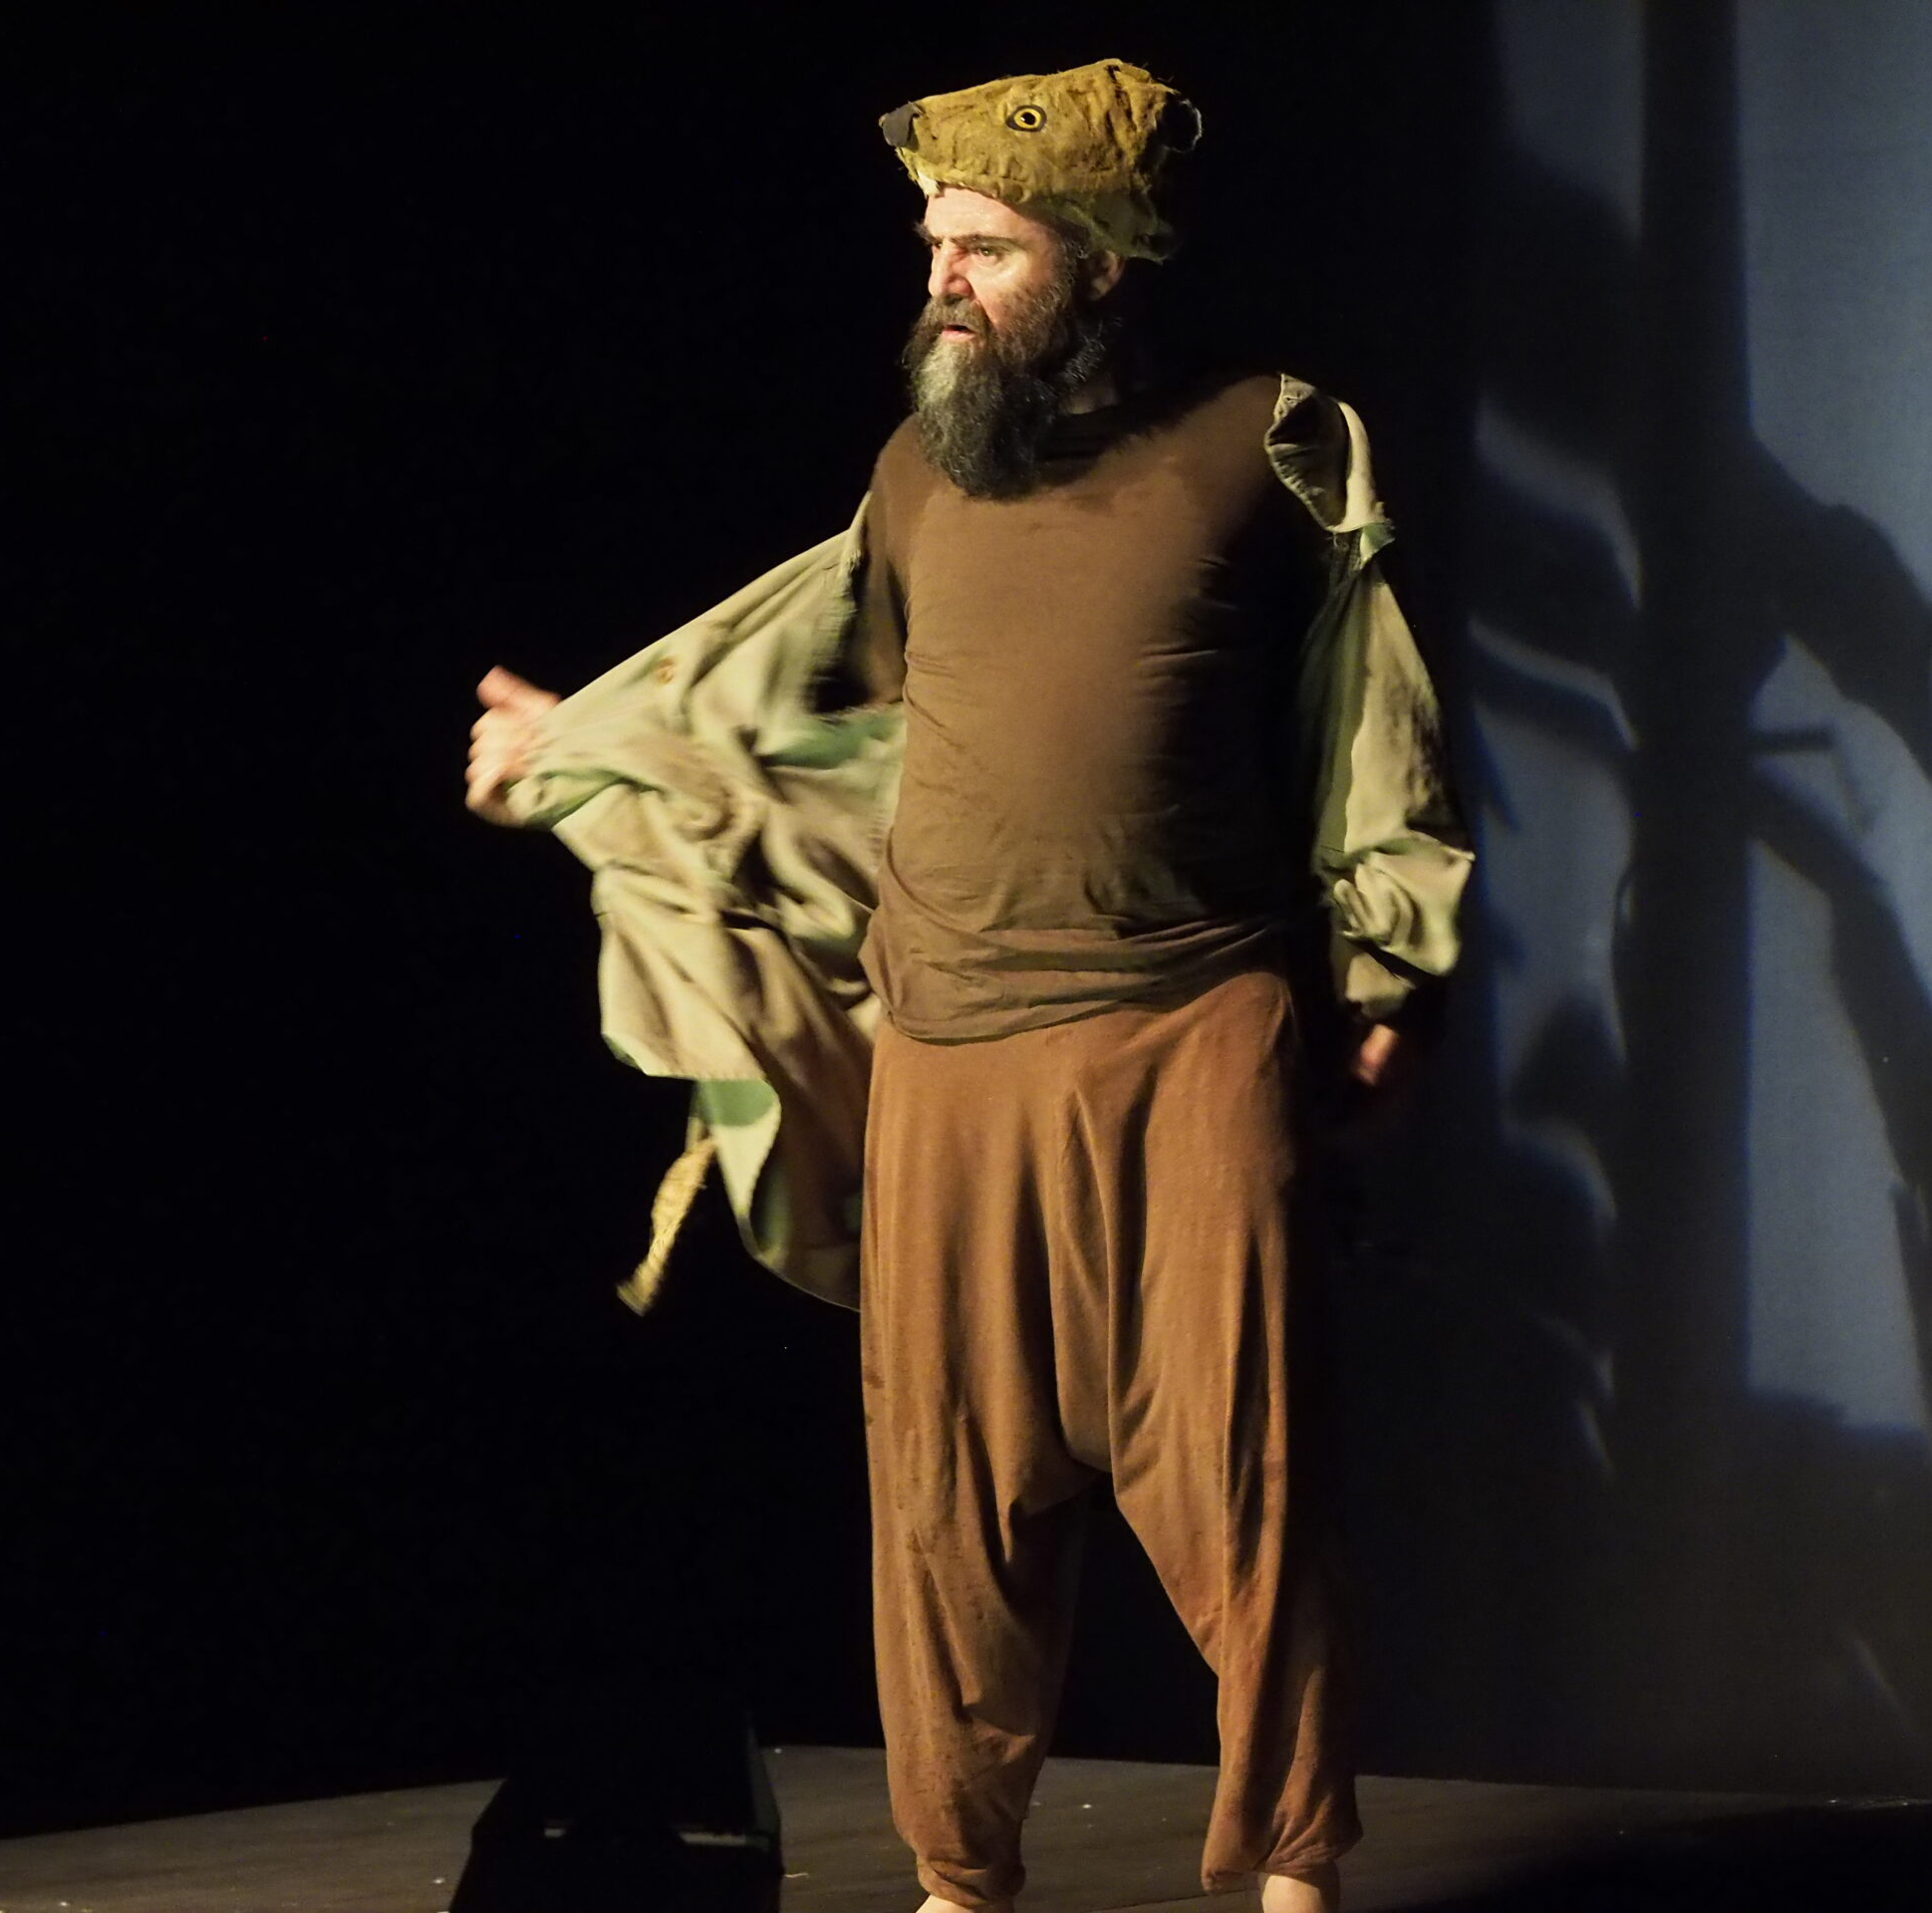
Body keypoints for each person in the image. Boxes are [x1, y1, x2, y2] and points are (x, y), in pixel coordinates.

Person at [466, 59, 1469, 1913]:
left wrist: (1392, 967)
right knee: (945, 1499)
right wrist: (592, 742)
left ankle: (1293, 1873)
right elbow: (799, 693)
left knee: (1244, 1475)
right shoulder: (917, 473)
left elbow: (1371, 715)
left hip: (1190, 1031)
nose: (941, 275)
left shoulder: (1267, 440)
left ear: (1101, 261)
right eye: (933, 242)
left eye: (987, 247)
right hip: (946, 1051)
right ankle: (958, 1882)